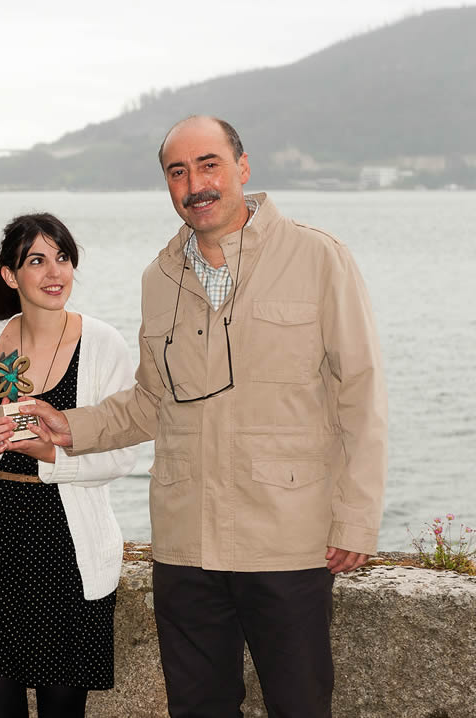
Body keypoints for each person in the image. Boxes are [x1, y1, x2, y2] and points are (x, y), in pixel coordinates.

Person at [22, 116, 387, 717]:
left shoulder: (319, 259)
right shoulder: (159, 278)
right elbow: (152, 400)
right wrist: (72, 427)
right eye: (178, 171)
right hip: (185, 544)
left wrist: (356, 520)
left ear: (243, 168)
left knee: (299, 708)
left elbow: (362, 396)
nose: (195, 183)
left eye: (209, 164)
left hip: (288, 543)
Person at [0, 213, 137, 718]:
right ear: (10, 275)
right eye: (37, 260)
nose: (55, 273)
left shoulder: (104, 344)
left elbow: (123, 453)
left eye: (63, 258)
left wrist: (51, 456)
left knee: (62, 712)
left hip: (70, 552)